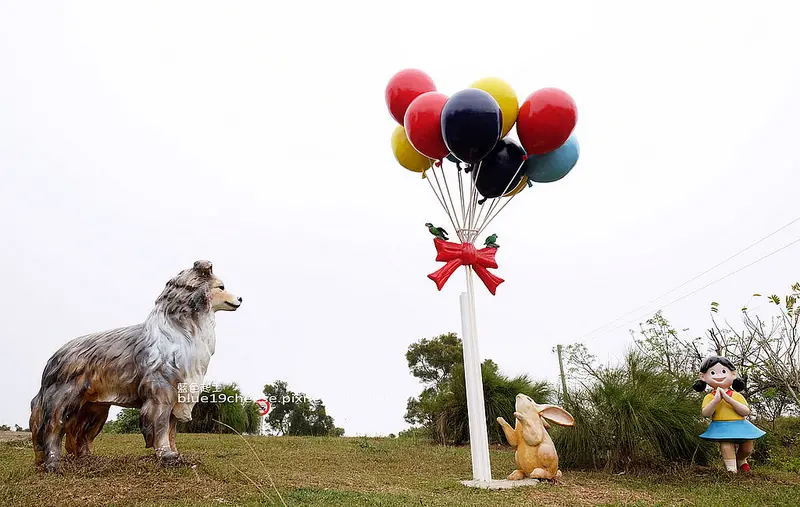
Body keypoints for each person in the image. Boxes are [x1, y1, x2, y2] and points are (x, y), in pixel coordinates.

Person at [692, 355, 766, 473]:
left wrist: (728, 399)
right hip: (721, 427)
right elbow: (706, 413)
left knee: (747, 447)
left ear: (733, 374)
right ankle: (732, 470)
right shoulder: (709, 397)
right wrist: (716, 400)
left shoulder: (737, 395)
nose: (719, 376)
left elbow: (745, 411)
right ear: (703, 376)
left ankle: (741, 460)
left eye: (723, 371)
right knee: (726, 445)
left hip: (740, 425)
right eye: (713, 372)